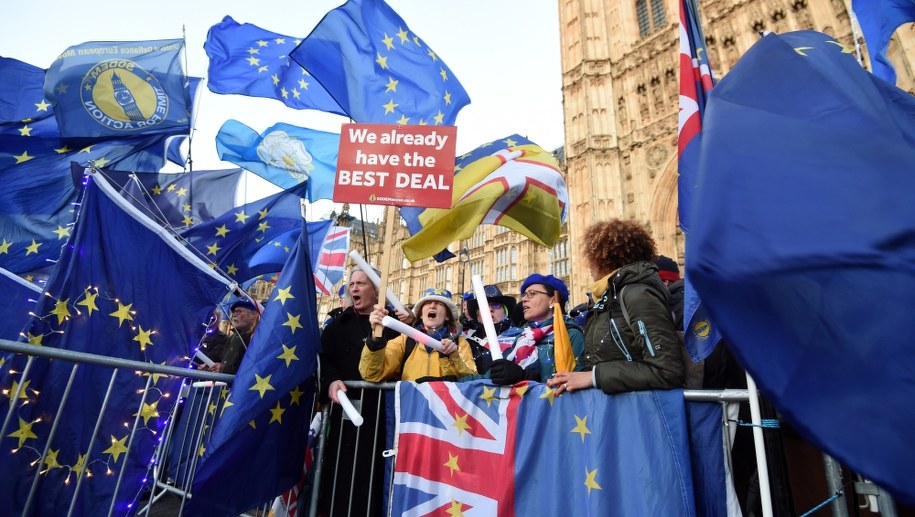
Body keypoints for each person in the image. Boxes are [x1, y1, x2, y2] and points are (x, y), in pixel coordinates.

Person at [548, 220, 684, 394]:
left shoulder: (637, 295)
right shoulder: (606, 299)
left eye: (591, 257)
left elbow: (667, 371)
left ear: (605, 257)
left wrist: (594, 376)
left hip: (641, 413)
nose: (589, 266)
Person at [317, 267, 389, 517]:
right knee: (339, 476)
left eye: (361, 283)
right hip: (344, 415)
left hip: (379, 417)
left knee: (372, 480)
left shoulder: (393, 326)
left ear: (377, 290)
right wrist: (331, 380)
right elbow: (323, 360)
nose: (354, 288)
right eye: (352, 283)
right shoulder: (337, 326)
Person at [361, 288, 477, 382]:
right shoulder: (405, 341)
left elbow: (471, 380)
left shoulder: (460, 343)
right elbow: (372, 374)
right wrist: (375, 339)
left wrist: (454, 357)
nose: (432, 306)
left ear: (447, 316)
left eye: (439, 303)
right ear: (421, 314)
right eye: (427, 303)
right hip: (413, 408)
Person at [488, 274, 585, 385]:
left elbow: (571, 387)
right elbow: (489, 376)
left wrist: (524, 378)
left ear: (553, 300)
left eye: (532, 294)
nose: (523, 299)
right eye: (524, 295)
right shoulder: (522, 337)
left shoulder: (570, 335)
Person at [464, 284, 522, 374]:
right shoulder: (467, 344)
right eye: (484, 307)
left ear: (505, 313)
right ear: (478, 317)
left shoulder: (521, 338)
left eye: (496, 306)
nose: (490, 309)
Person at [202, 298, 260, 374]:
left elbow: (249, 367)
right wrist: (213, 366)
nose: (234, 314)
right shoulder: (234, 337)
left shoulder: (257, 338)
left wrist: (223, 368)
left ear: (253, 314)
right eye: (233, 312)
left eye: (239, 311)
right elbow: (223, 361)